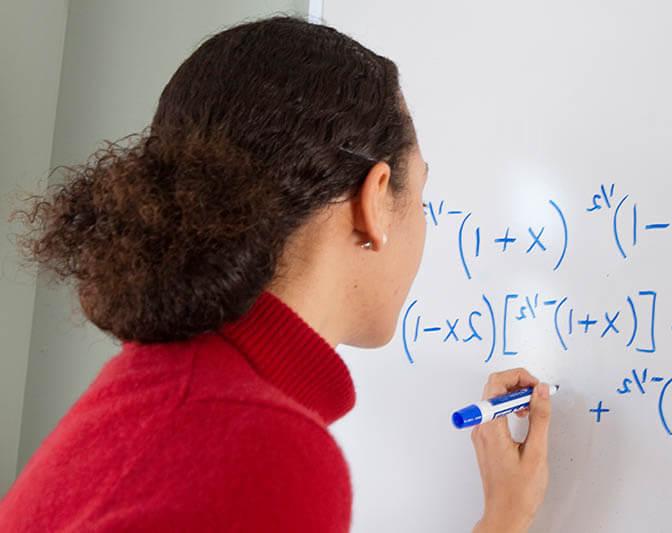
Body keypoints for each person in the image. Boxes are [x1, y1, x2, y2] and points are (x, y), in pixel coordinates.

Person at [1, 15, 552, 532]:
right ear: (376, 201)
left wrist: (502, 517)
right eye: (422, 194)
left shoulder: (149, 399)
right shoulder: (262, 449)